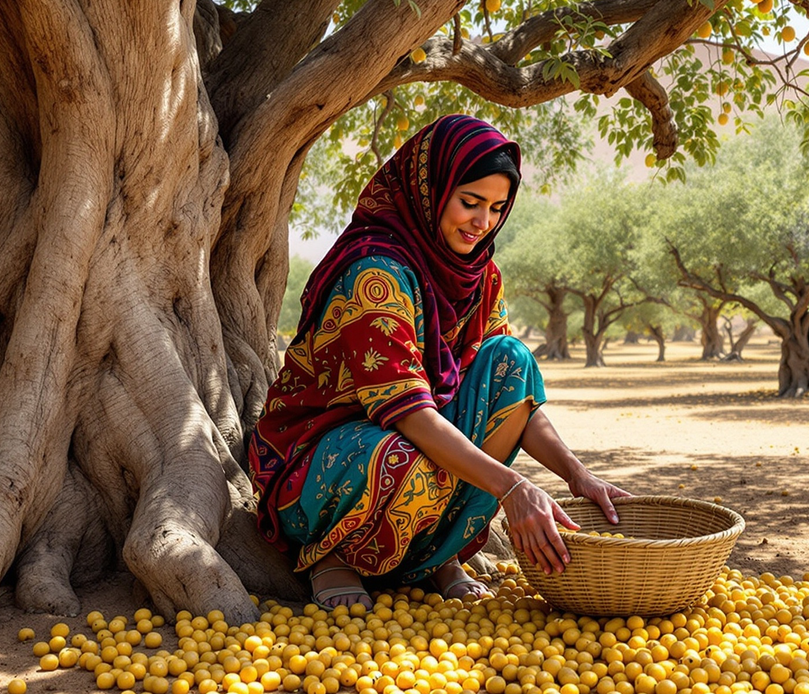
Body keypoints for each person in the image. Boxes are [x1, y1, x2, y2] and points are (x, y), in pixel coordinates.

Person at [248, 114, 629, 611]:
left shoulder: (481, 276)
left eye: (496, 208)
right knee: (398, 460)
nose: (482, 223)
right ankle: (333, 556)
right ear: (429, 191)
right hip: (327, 461)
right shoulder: (375, 273)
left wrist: (577, 475)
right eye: (469, 203)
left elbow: (512, 402)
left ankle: (433, 557)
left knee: (510, 358)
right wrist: (513, 487)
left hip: (418, 441)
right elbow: (407, 412)